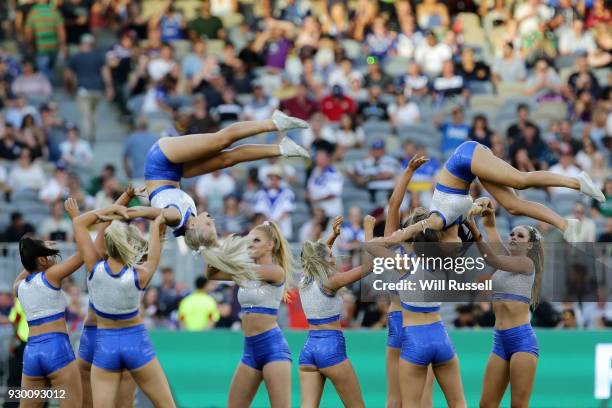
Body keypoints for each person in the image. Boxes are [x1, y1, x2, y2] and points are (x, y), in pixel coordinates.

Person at [116, 111, 309, 249]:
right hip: (175, 173)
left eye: (208, 225)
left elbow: (143, 212)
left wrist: (117, 212)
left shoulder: (174, 216)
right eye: (212, 225)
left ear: (193, 226)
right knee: (228, 159)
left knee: (221, 140)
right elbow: (212, 245)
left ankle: (273, 123)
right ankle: (282, 148)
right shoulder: (187, 222)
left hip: (161, 160)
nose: (212, 220)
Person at [385, 140, 605, 244]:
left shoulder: (438, 222)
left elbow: (413, 226)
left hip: (465, 157)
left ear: (439, 241)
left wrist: (397, 236)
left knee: (520, 180)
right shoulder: (457, 220)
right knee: (513, 206)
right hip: (469, 168)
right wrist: (480, 207)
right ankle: (565, 225)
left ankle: (576, 181)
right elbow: (476, 200)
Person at [71, 201, 175, 407]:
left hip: (105, 345)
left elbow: (80, 223)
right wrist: (158, 221)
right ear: (129, 245)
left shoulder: (93, 267)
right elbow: (156, 243)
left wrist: (110, 212)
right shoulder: (140, 274)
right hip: (136, 343)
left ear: (108, 246)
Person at [367, 208, 467, 408]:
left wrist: (396, 233)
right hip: (441, 335)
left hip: (414, 337)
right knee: (458, 403)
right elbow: (455, 221)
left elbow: (372, 246)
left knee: (410, 404)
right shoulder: (446, 262)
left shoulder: (405, 263)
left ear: (413, 239)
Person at [205, 221, 294, 407]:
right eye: (248, 240)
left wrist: (220, 247)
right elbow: (211, 273)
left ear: (270, 245)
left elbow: (240, 270)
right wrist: (210, 243)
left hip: (273, 349)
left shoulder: (276, 272)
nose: (250, 244)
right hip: (250, 350)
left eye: (256, 240)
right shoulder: (245, 272)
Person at [465, 201, 542, 408]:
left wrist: (472, 227)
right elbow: (490, 228)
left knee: (518, 405)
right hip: (499, 340)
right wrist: (488, 212)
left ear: (530, 245)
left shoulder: (527, 264)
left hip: (522, 341)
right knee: (486, 404)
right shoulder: (505, 261)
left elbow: (492, 259)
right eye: (512, 234)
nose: (514, 237)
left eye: (520, 236)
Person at [298, 215, 375, 408]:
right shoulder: (332, 281)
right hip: (330, 347)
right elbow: (370, 266)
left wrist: (332, 235)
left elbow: (316, 254)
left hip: (308, 350)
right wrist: (368, 231)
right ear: (323, 261)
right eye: (330, 255)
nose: (334, 258)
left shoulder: (304, 279)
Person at [13, 200, 83, 407]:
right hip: (57, 348)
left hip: (32, 353)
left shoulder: (19, 287)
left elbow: (28, 268)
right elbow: (85, 253)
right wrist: (76, 218)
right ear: (41, 261)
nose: (53, 247)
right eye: (48, 247)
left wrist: (35, 256)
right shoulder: (51, 276)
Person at [76, 189, 138, 408]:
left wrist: (125, 198)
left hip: (92, 333)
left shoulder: (93, 262)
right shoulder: (137, 270)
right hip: (120, 336)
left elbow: (103, 224)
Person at [381, 156, 435, 408]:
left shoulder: (396, 247)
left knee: (395, 398)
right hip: (425, 325)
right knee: (424, 398)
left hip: (398, 319)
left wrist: (409, 172)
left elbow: (393, 205)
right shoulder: (434, 254)